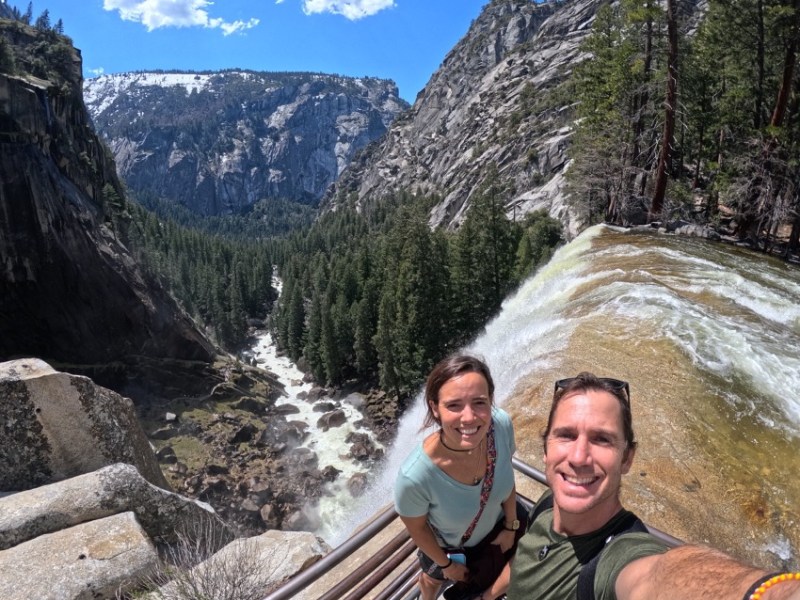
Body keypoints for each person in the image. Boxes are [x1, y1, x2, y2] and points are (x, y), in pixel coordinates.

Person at [490, 372, 800, 600]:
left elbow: (659, 576)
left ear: (627, 459)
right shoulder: (547, 503)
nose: (579, 456)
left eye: (601, 439)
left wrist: (772, 593)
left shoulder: (619, 555)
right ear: (545, 449)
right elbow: (526, 558)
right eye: (566, 435)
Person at [394, 354, 526, 600]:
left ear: (490, 401)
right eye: (454, 405)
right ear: (435, 408)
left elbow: (506, 476)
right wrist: (446, 565)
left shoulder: (500, 425)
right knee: (433, 578)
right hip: (453, 549)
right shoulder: (415, 477)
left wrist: (511, 526)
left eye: (479, 402)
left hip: (497, 533)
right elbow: (418, 529)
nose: (469, 417)